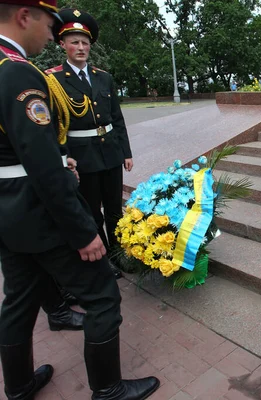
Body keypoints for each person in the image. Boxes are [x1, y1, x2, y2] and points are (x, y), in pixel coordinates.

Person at [0, 1, 159, 399]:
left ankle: (18, 388)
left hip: (6, 212)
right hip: (36, 211)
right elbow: (43, 168)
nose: (51, 33)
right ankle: (108, 391)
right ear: (24, 16)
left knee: (18, 300)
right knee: (104, 296)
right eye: (49, 23)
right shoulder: (19, 74)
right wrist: (83, 232)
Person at [45, 8, 134, 278]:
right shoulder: (53, 80)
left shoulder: (103, 77)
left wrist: (126, 152)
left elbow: (117, 118)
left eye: (85, 43)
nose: (81, 47)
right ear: (63, 44)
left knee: (115, 209)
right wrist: (63, 157)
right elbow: (53, 125)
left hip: (110, 152)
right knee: (92, 210)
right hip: (82, 156)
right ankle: (103, 258)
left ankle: (119, 253)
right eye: (74, 42)